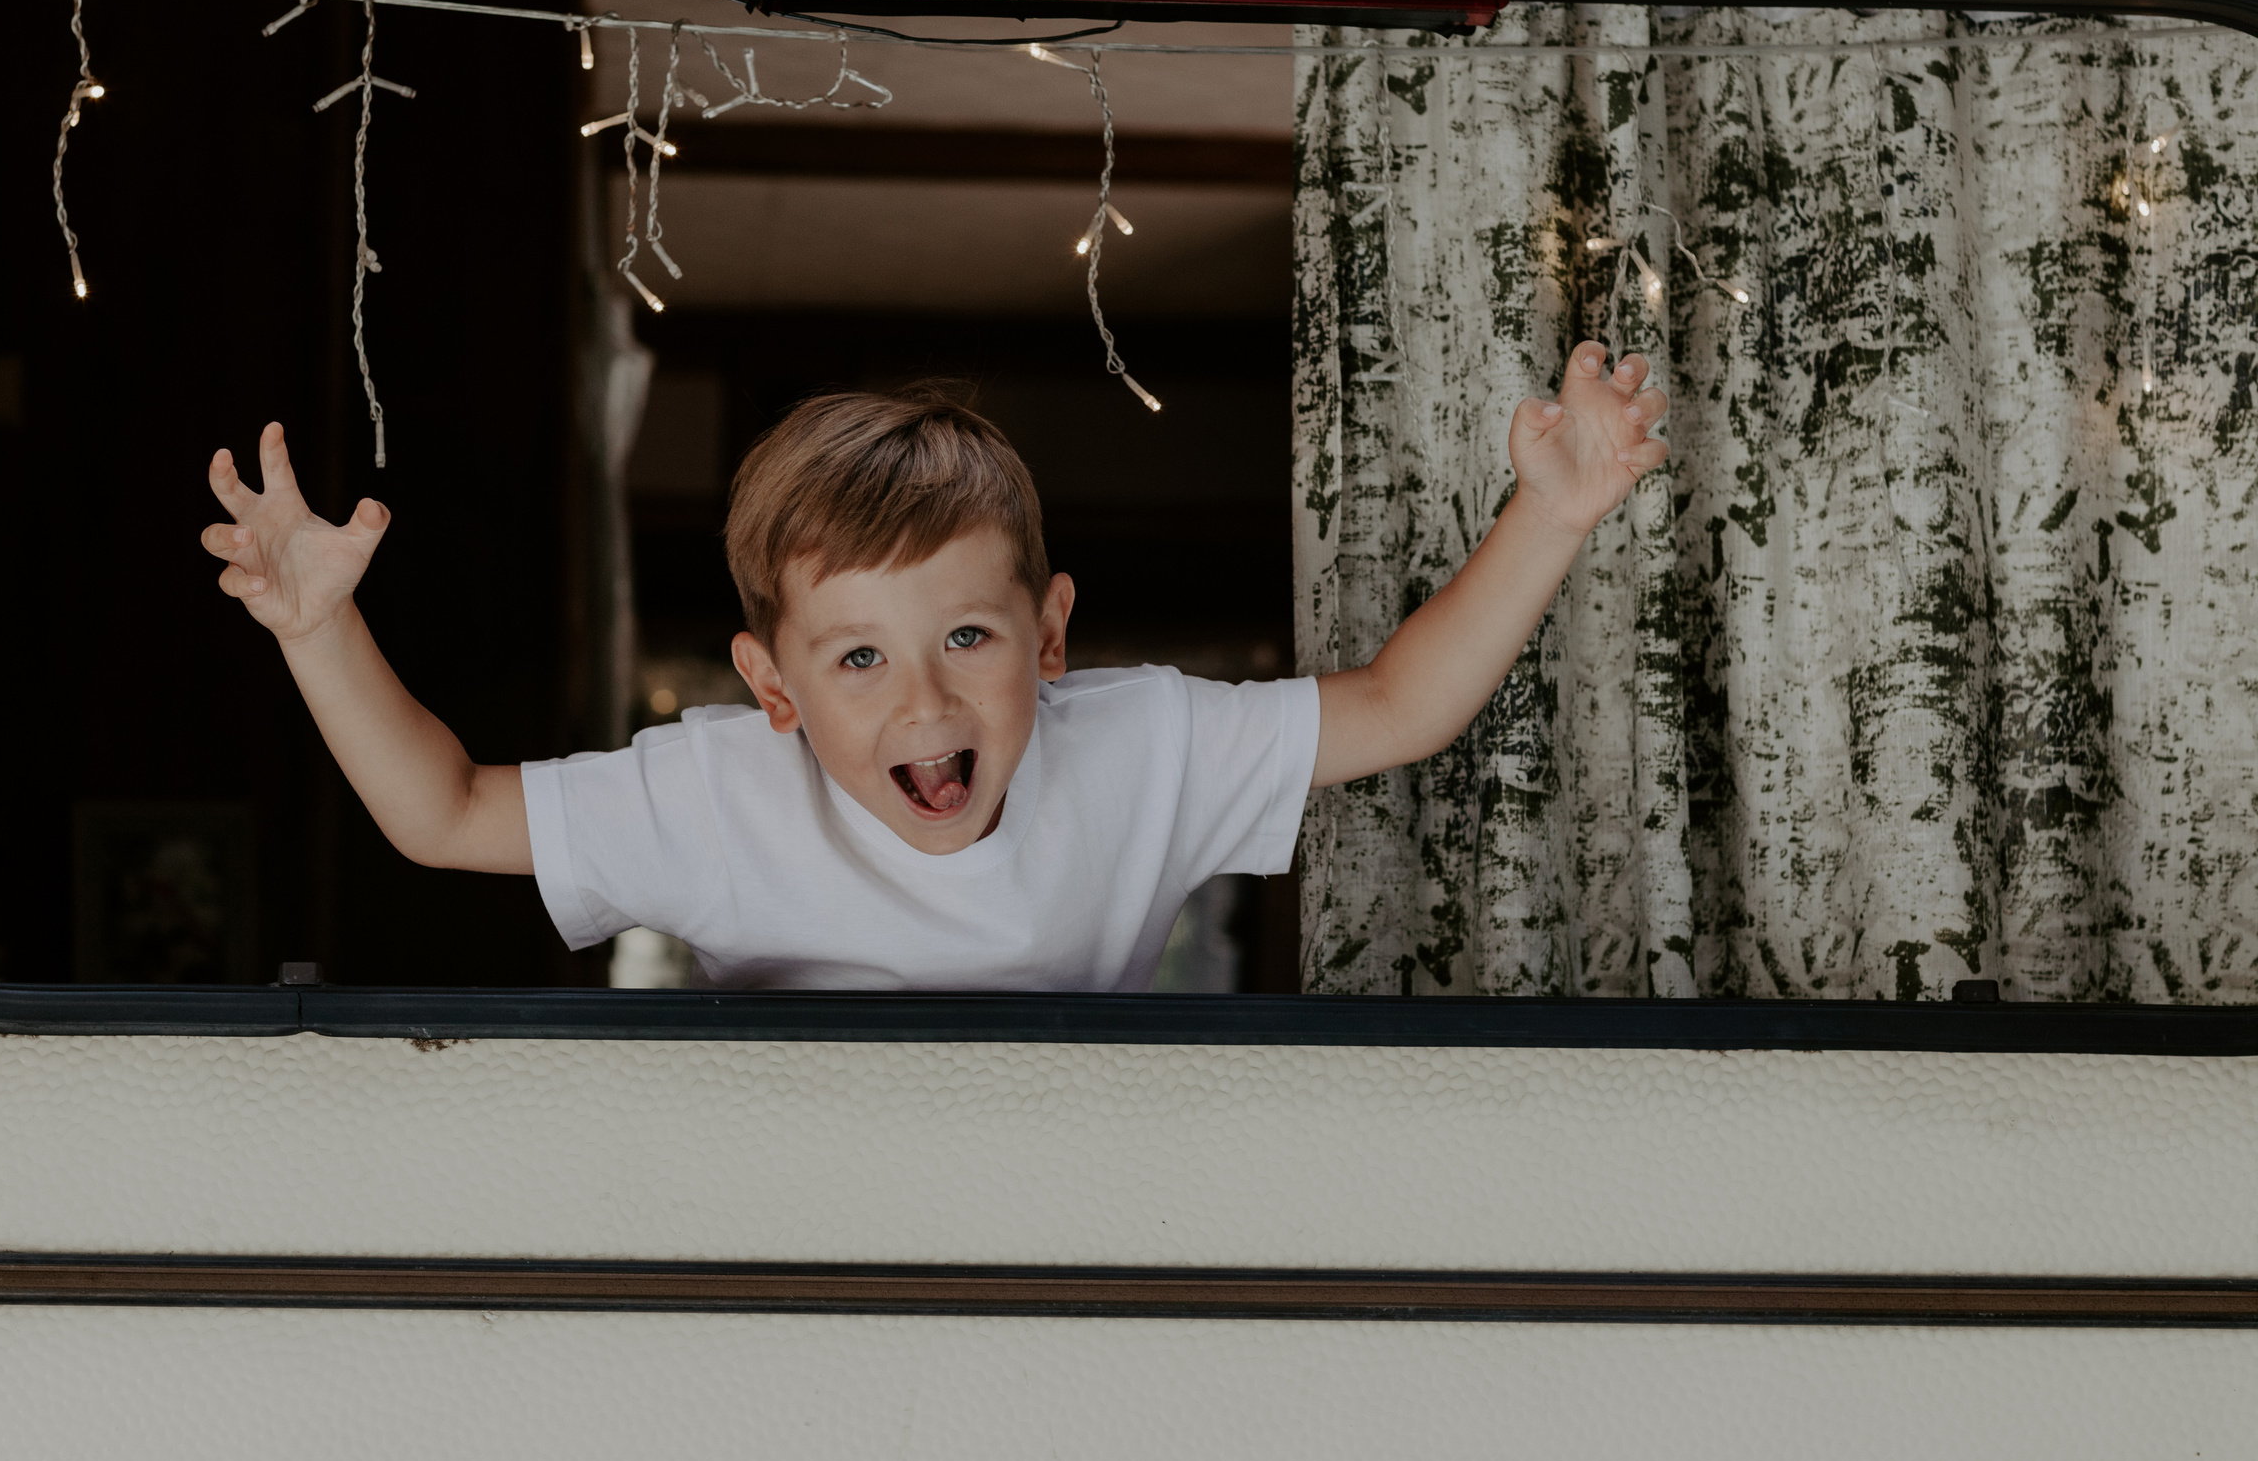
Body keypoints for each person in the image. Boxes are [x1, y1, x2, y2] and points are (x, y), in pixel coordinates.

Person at [199, 341, 1667, 990]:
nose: (924, 701)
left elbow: (1400, 707)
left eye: (969, 637)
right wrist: (317, 630)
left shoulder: (1135, 745)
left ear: (1050, 637)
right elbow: (444, 812)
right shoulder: (718, 791)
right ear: (772, 689)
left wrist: (1549, 515)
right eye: (856, 658)